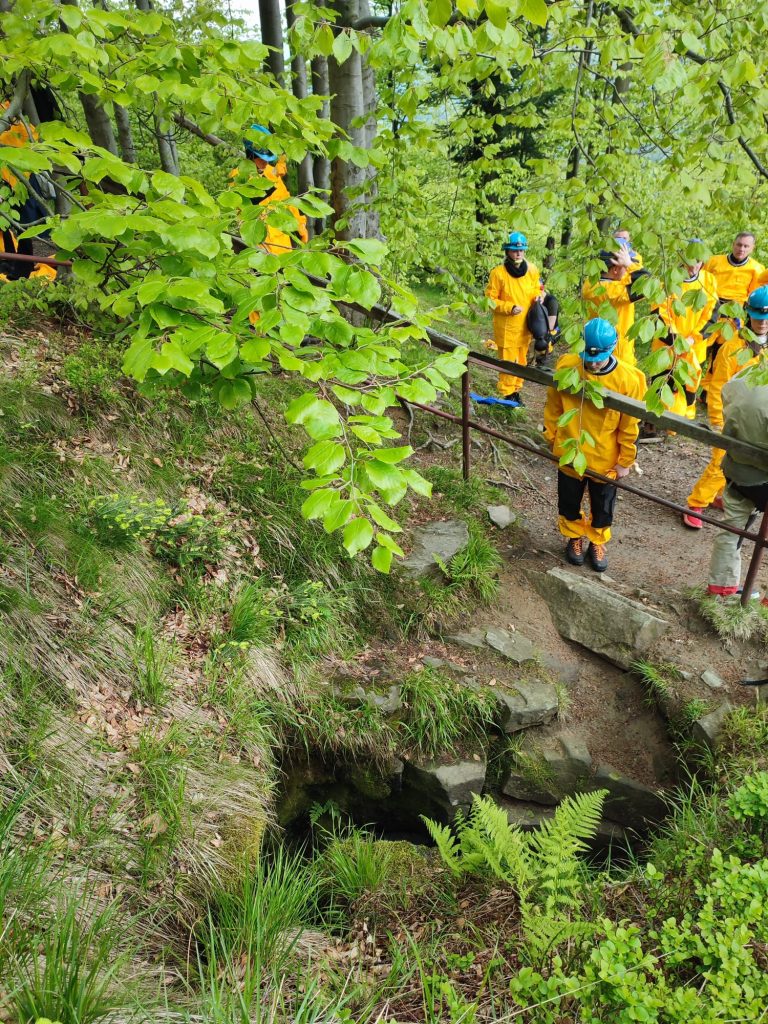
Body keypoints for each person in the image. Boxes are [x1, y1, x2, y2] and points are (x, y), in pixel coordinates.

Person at [543, 317, 646, 573]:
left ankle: (597, 540)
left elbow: (630, 424)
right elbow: (554, 405)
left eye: (599, 358)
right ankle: (574, 535)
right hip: (570, 449)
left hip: (605, 457)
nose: (593, 363)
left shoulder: (629, 380)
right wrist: (551, 436)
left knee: (603, 505)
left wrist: (625, 460)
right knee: (568, 499)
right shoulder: (568, 366)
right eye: (589, 358)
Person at [683, 285, 768, 528]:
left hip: (759, 419)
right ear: (748, 313)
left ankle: (719, 494)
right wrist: (718, 420)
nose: (762, 323)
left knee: (747, 463)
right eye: (758, 317)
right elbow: (718, 386)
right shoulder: (733, 347)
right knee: (721, 458)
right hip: (733, 418)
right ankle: (696, 502)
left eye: (766, 318)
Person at [706, 368, 768, 600]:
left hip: (735, 471)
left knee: (732, 529)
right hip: (763, 479)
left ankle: (721, 588)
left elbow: (724, 393)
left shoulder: (747, 373)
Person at [231, 123, 308, 256]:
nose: (265, 162)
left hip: (281, 242)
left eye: (268, 159)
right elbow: (248, 203)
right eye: (262, 158)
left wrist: (299, 223)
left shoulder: (270, 171)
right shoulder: (238, 175)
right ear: (251, 154)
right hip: (257, 242)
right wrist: (273, 178)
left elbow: (285, 200)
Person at [485, 231, 541, 403]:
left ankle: (516, 390)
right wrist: (509, 308)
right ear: (507, 251)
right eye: (515, 250)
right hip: (507, 327)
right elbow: (490, 300)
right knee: (508, 361)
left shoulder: (532, 270)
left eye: (521, 250)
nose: (518, 253)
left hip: (525, 326)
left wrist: (539, 297)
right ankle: (507, 394)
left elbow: (537, 289)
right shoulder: (498, 273)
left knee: (522, 359)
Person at [702, 233, 764, 389]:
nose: (741, 249)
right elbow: (702, 281)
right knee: (701, 349)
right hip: (710, 311)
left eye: (746, 246)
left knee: (722, 354)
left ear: (752, 248)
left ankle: (710, 390)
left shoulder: (756, 269)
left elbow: (755, 297)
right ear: (733, 244)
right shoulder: (714, 261)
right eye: (739, 244)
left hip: (734, 316)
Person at [582, 246, 649, 365]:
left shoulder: (594, 281)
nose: (627, 270)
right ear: (615, 269)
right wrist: (630, 264)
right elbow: (649, 285)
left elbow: (633, 275)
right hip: (613, 355)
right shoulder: (608, 291)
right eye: (625, 266)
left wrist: (627, 258)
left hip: (610, 350)